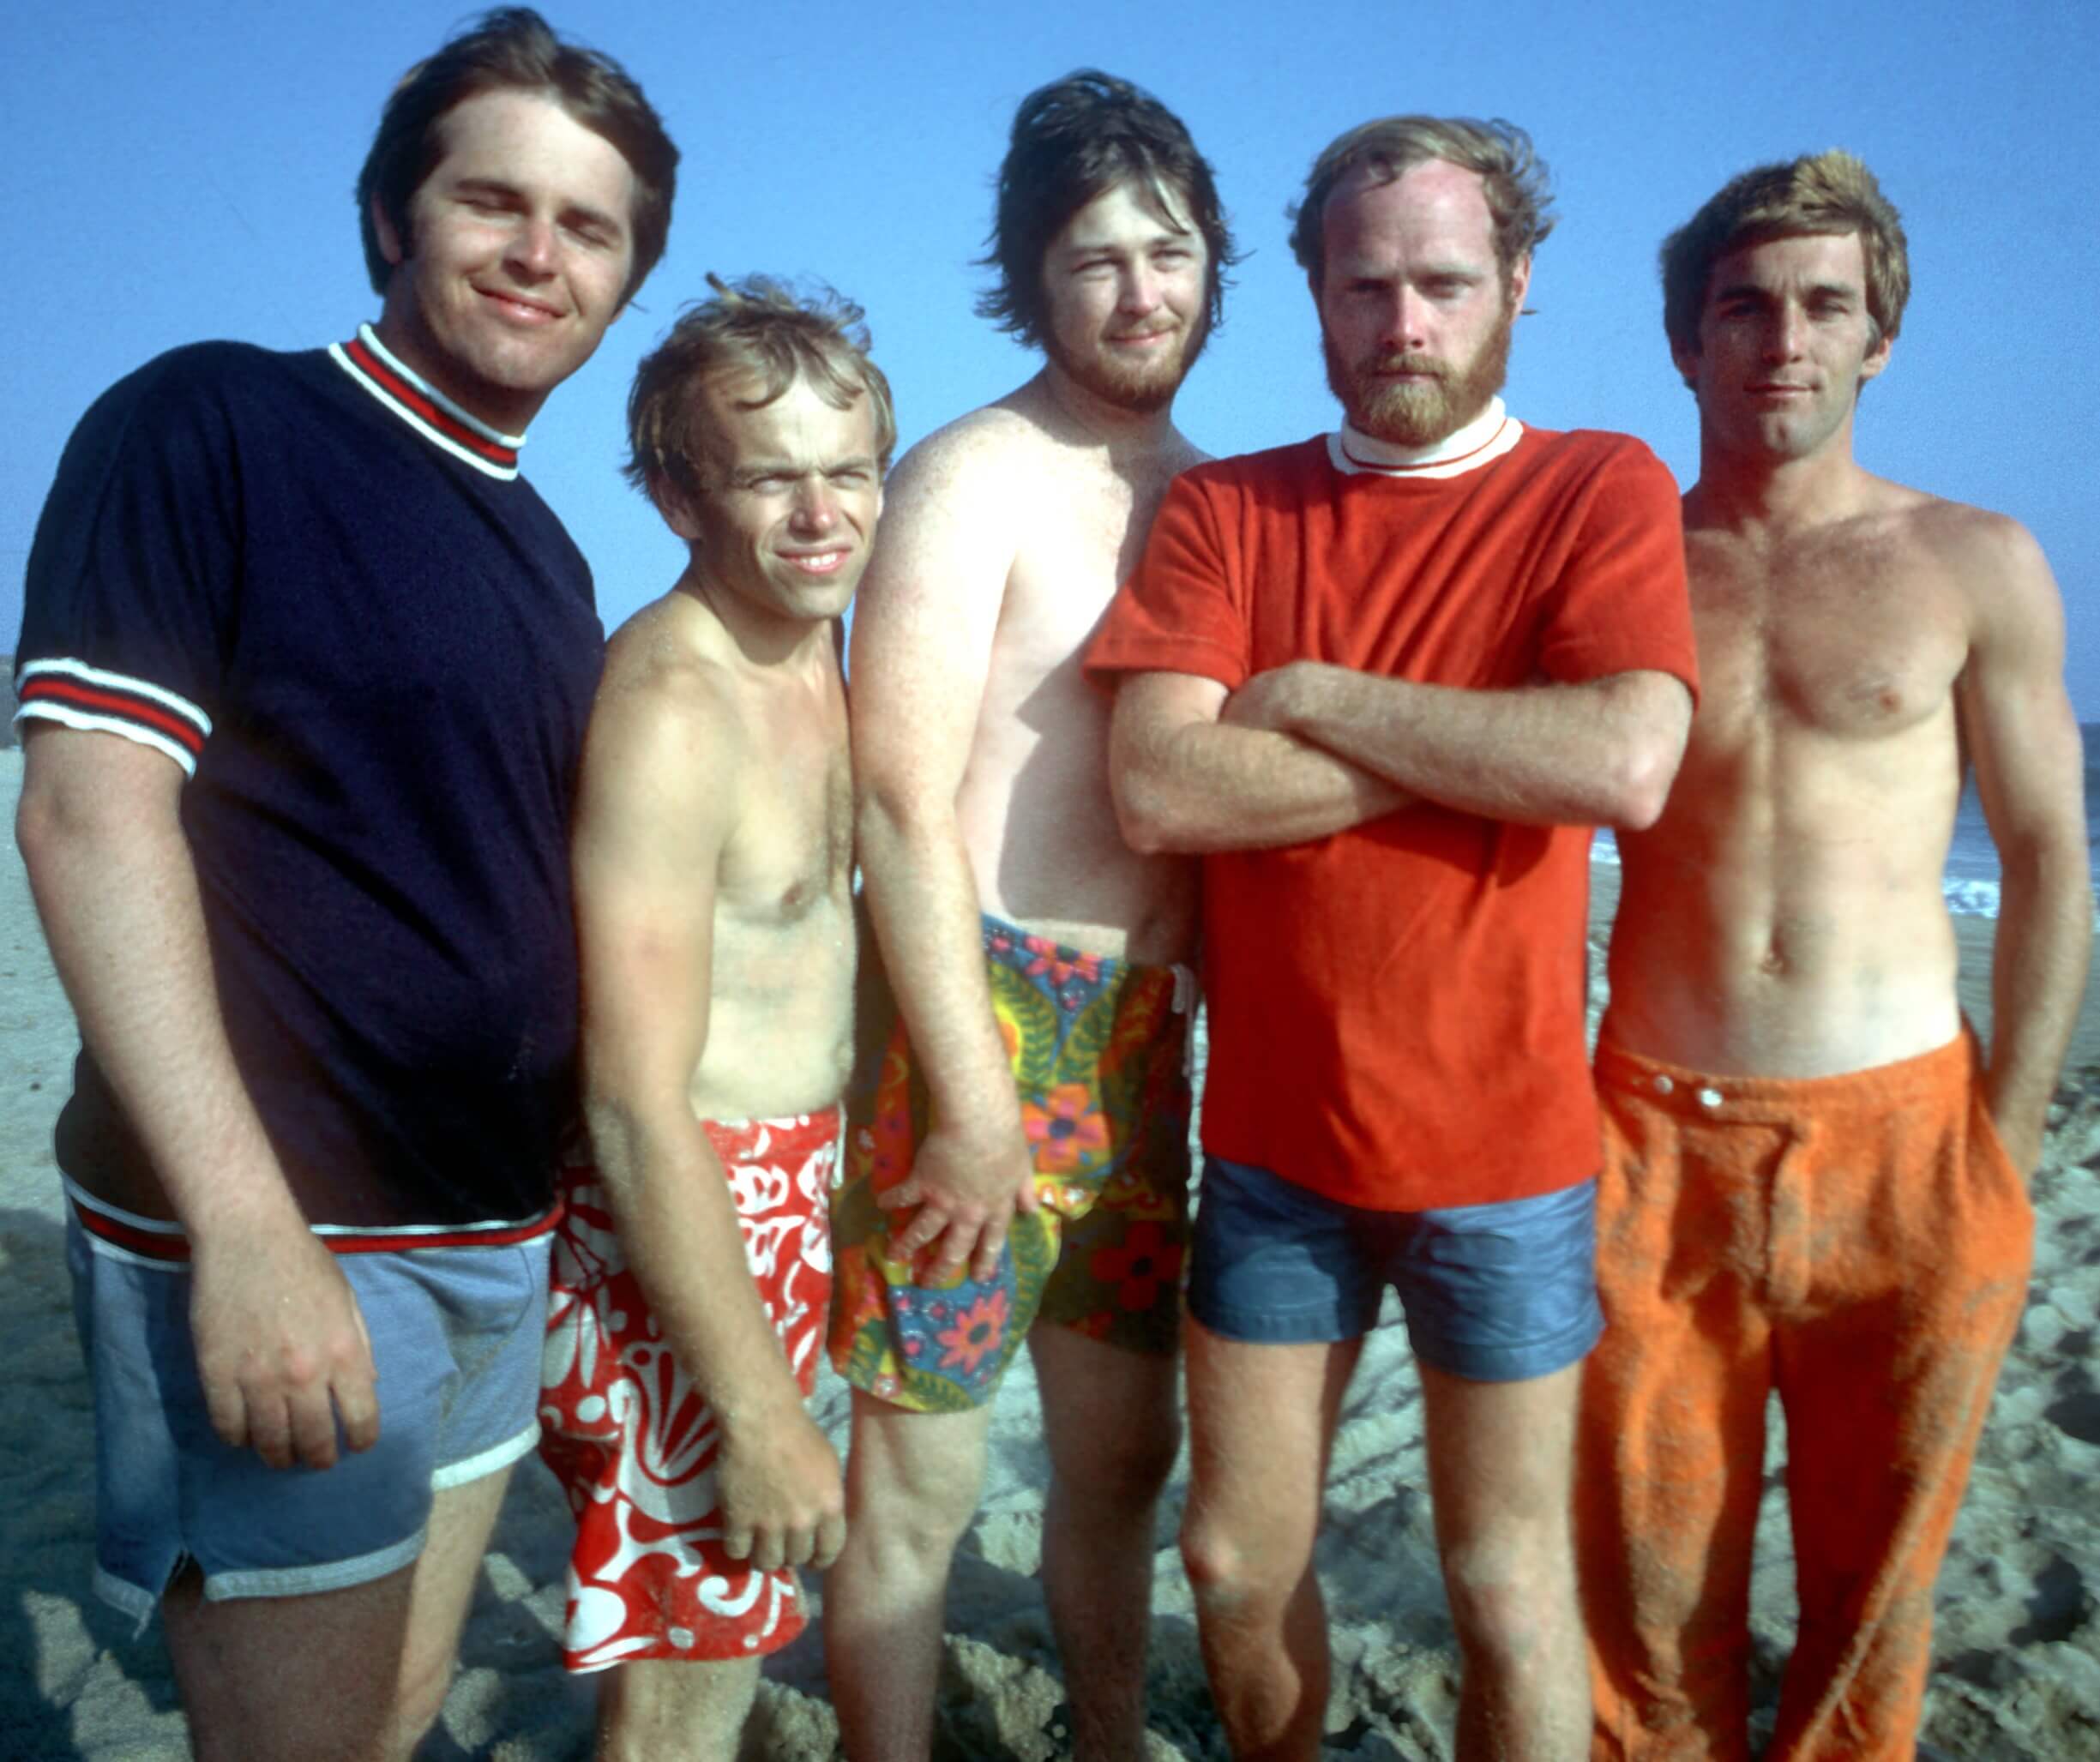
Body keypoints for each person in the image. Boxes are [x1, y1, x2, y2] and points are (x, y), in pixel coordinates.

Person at [11, 11, 677, 1758]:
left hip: (491, 1236)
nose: (537, 253)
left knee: (389, 1715)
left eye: (588, 227)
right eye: (491, 201)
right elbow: (87, 814)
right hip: (292, 1227)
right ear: (392, 217)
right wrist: (246, 1231)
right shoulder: (214, 420)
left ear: (623, 280)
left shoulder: (546, 553)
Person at [1088, 117, 1700, 1760]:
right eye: (1365, 287)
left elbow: (1621, 762)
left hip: (1507, 1160)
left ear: (1518, 281)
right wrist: (1484, 744)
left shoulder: (1596, 485)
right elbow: (1158, 786)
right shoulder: (1228, 507)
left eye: (1443, 283)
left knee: (1504, 1588)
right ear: (1314, 292)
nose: (1403, 325)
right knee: (1229, 1567)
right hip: (1272, 1149)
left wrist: (1309, 696)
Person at [1576, 151, 2091, 1762]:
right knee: (1642, 1600)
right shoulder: (1614, 567)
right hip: (1648, 1142)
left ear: (1880, 338)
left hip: (1907, 1143)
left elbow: (2046, 854)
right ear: (1685, 341)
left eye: (1824, 305)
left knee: (1874, 1600)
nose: (1783, 339)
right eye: (1743, 306)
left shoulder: (1973, 560)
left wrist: (2002, 1144)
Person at [821, 69, 1230, 1760]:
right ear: (1030, 280)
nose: (1139, 292)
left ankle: (1110, 1738)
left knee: (1122, 1461)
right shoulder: (970, 475)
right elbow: (897, 801)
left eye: (1168, 251)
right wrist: (972, 1090)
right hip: (969, 1017)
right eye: (1094, 259)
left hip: (1141, 1040)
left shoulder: (1219, 493)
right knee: (918, 1474)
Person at [534, 277, 891, 1760]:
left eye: (849, 471)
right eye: (769, 480)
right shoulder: (676, 705)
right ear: (679, 498)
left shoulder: (811, 645)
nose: (821, 517)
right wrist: (753, 1409)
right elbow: (632, 1097)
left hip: (789, 1186)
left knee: (718, 1626)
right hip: (691, 1206)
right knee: (691, 1658)